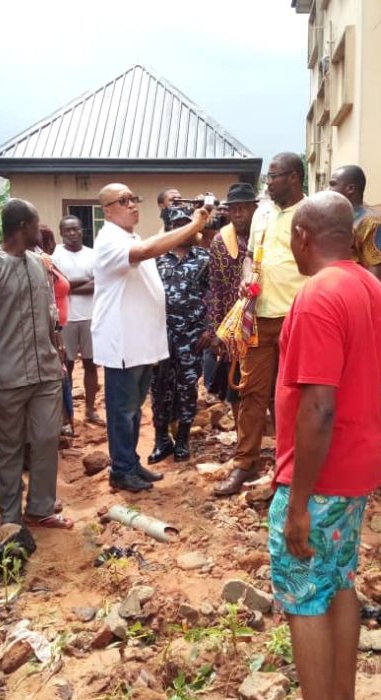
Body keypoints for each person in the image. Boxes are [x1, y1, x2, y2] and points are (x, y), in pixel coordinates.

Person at [267, 192, 381, 700]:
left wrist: (296, 502)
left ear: (301, 237)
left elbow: (318, 407)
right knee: (339, 581)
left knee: (304, 597)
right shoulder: (375, 290)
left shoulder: (319, 295)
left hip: (319, 477)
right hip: (356, 469)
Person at [93, 183, 210, 492]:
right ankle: (120, 470)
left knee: (133, 410)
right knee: (122, 411)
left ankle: (130, 463)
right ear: (107, 210)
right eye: (123, 200)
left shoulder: (129, 236)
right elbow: (147, 252)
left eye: (134, 198)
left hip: (141, 345)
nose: (132, 204)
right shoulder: (108, 240)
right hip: (122, 344)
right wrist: (195, 226)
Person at [0, 199, 72, 530]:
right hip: (7, 376)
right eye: (37, 222)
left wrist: (59, 354)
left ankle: (40, 508)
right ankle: (10, 518)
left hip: (46, 372)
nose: (41, 229)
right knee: (9, 451)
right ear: (23, 226)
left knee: (45, 439)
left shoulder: (39, 263)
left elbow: (49, 315)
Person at [215, 152, 307, 497]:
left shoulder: (311, 213)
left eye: (274, 176)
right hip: (258, 316)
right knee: (251, 392)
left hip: (296, 317)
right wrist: (244, 278)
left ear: (295, 177)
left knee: (292, 394)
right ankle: (245, 462)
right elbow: (251, 256)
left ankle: (291, 466)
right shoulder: (263, 212)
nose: (267, 183)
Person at [148, 208, 210, 463]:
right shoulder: (156, 258)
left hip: (192, 337)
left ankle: (182, 439)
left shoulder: (205, 258)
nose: (183, 228)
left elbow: (214, 296)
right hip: (160, 336)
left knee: (187, 388)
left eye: (187, 223)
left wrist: (210, 328)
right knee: (159, 388)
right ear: (170, 227)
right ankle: (161, 439)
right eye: (177, 224)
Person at [204, 182, 258, 405]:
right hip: (232, 322)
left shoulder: (264, 237)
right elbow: (215, 287)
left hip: (261, 318)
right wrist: (215, 329)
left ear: (254, 209)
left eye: (243, 208)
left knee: (260, 378)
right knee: (234, 381)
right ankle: (240, 431)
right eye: (234, 208)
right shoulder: (220, 241)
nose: (238, 214)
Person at [51, 216, 102, 425]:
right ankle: (67, 415)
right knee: (66, 366)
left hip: (91, 316)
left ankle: (90, 410)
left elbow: (99, 284)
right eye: (67, 230)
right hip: (66, 319)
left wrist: (69, 285)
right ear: (61, 233)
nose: (72, 233)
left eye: (75, 229)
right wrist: (81, 283)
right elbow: (56, 286)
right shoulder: (55, 256)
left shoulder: (93, 255)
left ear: (82, 231)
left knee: (91, 365)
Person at [37, 235, 76, 437]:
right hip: (46, 333)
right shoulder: (38, 264)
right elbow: (47, 304)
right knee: (56, 378)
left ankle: (64, 423)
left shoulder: (48, 263)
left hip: (56, 329)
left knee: (63, 376)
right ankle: (59, 425)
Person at [327, 164, 381, 283]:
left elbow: (376, 278)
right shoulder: (340, 219)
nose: (328, 189)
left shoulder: (372, 222)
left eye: (333, 184)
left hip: (357, 297)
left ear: (350, 189)